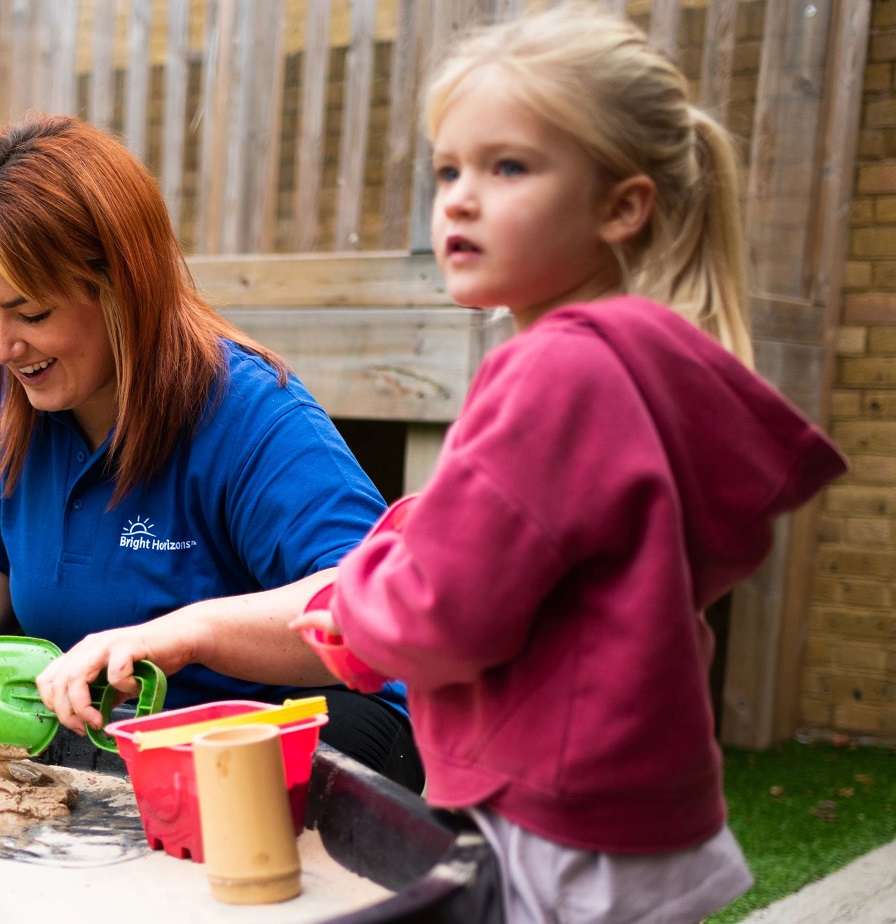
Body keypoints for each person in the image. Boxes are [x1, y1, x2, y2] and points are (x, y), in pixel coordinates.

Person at [291, 8, 848, 922]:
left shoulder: (554, 368)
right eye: (449, 169)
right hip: (634, 799)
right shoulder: (646, 359)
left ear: (621, 206)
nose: (460, 198)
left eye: (508, 167)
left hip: (560, 810)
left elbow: (444, 612)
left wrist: (348, 607)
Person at [0, 114, 422, 792]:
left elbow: (370, 598)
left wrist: (182, 634)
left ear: (120, 285)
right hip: (118, 741)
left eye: (30, 312)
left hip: (298, 725)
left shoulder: (250, 412)